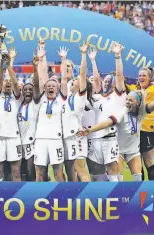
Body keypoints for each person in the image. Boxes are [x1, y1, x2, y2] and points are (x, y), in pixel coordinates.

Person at [79, 76, 154, 181]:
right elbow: (107, 123)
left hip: (133, 151)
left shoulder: (142, 111)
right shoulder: (122, 112)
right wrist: (90, 130)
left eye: (130, 100)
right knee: (118, 179)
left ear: (137, 103)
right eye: (127, 99)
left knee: (138, 178)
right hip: (119, 150)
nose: (127, 102)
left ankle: (138, 197)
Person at [83, 42, 127, 182]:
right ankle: (99, 198)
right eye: (105, 81)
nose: (106, 83)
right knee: (96, 173)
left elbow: (119, 76)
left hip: (109, 138)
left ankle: (117, 196)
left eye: (109, 81)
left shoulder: (118, 96)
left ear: (115, 84)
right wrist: (92, 60)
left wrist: (118, 56)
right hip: (95, 139)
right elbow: (95, 80)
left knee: (112, 170)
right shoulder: (96, 98)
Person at [34, 47, 69, 182]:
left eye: (53, 85)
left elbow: (64, 78)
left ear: (58, 88)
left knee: (58, 174)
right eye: (48, 85)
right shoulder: (41, 99)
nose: (50, 86)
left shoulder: (62, 99)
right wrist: (41, 58)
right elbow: (42, 75)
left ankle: (62, 199)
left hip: (56, 140)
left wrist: (63, 59)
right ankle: (38, 198)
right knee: (40, 174)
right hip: (40, 140)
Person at [0, 46, 23, 181]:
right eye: (6, 81)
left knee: (16, 172)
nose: (8, 83)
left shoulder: (17, 97)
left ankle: (17, 197)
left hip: (14, 137)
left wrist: (9, 64)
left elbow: (15, 83)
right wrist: (1, 61)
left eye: (10, 81)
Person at [62, 41, 89, 182]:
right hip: (65, 136)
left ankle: (90, 199)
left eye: (76, 81)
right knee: (70, 172)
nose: (73, 82)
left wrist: (83, 55)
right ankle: (74, 199)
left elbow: (83, 74)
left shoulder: (81, 95)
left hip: (76, 135)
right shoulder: (65, 92)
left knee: (80, 169)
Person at [17, 54, 42, 181]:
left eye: (30, 89)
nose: (28, 91)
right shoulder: (19, 105)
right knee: (20, 173)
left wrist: (35, 67)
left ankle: (33, 196)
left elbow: (36, 85)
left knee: (30, 171)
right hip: (18, 141)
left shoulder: (36, 102)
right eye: (25, 89)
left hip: (32, 142)